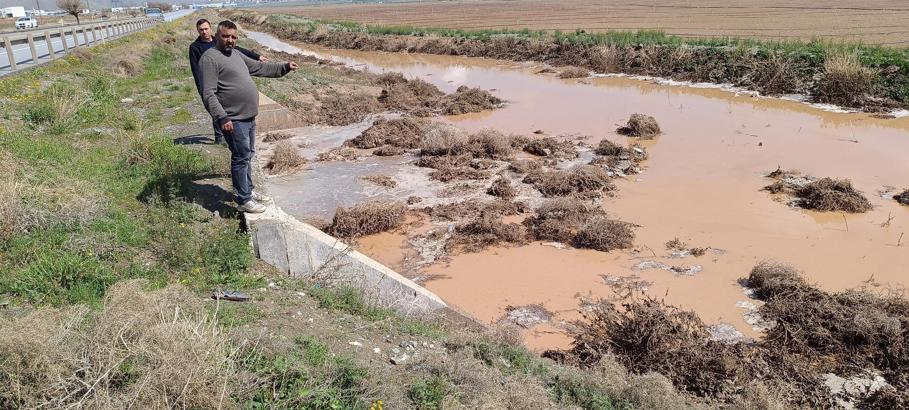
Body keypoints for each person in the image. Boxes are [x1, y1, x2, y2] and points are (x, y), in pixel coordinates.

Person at [199, 20, 299, 213]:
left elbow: (260, 68)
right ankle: (243, 199)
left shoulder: (236, 54)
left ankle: (249, 191)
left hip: (248, 116)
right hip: (233, 119)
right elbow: (208, 93)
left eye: (234, 37)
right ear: (217, 36)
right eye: (226, 36)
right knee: (240, 157)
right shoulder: (210, 58)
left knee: (248, 155)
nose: (230, 40)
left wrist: (285, 67)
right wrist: (222, 118)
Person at [189, 18, 268, 144]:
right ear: (198, 31)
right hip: (211, 84)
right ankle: (220, 138)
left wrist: (257, 56)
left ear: (211, 29)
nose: (204, 32)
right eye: (201, 30)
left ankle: (226, 137)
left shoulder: (220, 40)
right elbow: (196, 70)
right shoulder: (195, 47)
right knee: (217, 110)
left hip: (225, 81)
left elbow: (239, 50)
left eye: (206, 29)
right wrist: (202, 90)